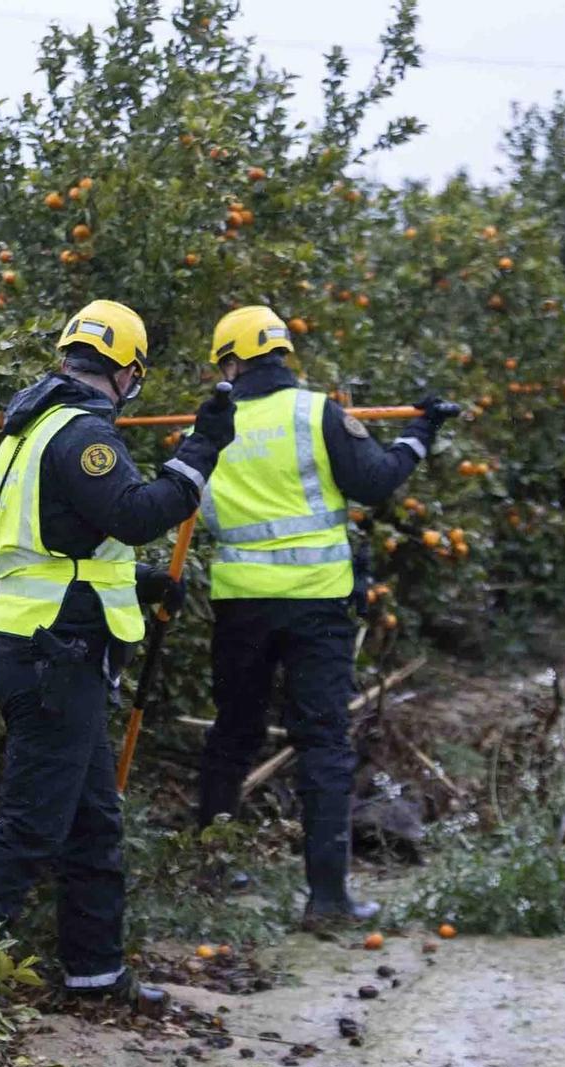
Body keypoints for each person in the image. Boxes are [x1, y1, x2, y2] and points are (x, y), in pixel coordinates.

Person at [0, 300, 233, 1004]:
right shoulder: (79, 432)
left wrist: (137, 581)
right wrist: (200, 449)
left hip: (47, 641)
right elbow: (134, 512)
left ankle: (95, 973)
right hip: (55, 651)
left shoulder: (29, 432)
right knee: (33, 825)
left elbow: (56, 544)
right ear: (127, 372)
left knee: (93, 817)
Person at [193, 305, 459, 925]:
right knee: (323, 744)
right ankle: (328, 898)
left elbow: (191, 506)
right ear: (282, 354)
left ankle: (207, 872)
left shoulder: (209, 426)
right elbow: (375, 482)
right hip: (317, 604)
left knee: (232, 734)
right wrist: (420, 434)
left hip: (239, 603)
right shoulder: (317, 413)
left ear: (230, 361)